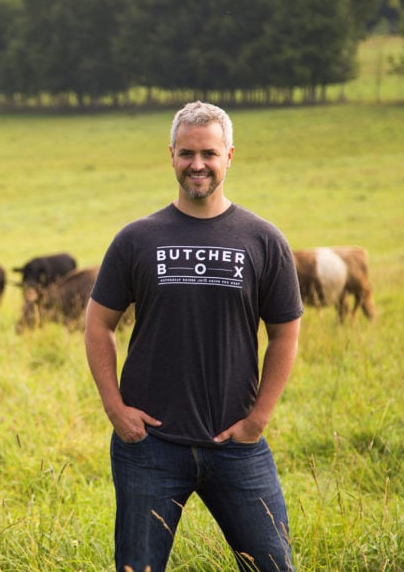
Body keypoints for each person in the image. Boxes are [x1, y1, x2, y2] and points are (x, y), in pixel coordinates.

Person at [84, 100, 303, 572]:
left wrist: (257, 420)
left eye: (208, 153)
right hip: (149, 446)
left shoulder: (263, 240)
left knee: (273, 566)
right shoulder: (136, 239)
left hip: (237, 446)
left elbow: (285, 333)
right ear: (171, 156)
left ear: (229, 156)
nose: (197, 164)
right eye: (186, 153)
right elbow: (97, 324)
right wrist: (115, 409)